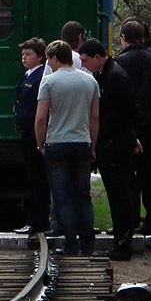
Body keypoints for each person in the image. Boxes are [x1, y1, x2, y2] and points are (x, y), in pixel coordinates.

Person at [35, 40, 100, 256]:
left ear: (54, 58)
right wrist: (92, 145)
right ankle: (88, 244)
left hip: (57, 143)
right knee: (83, 194)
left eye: (48, 59)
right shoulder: (89, 81)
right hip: (82, 142)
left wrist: (40, 143)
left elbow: (41, 118)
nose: (48, 64)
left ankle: (70, 243)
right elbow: (95, 117)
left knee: (62, 195)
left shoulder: (49, 82)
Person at [80, 38, 138, 259]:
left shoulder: (115, 77)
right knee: (116, 193)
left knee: (119, 193)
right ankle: (121, 237)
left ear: (97, 57)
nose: (83, 65)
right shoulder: (104, 76)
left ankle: (123, 243)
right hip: (111, 141)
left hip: (116, 143)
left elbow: (130, 111)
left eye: (85, 60)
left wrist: (128, 137)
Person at [114, 17, 151, 234]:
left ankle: (131, 220)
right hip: (149, 123)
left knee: (127, 174)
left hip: (127, 125)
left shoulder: (120, 62)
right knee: (149, 172)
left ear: (123, 38)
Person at [13, 37, 48, 235]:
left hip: (34, 134)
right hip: (27, 132)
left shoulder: (40, 77)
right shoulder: (29, 75)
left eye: (28, 54)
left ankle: (38, 222)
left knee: (38, 179)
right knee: (33, 178)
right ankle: (36, 220)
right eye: (23, 54)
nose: (24, 57)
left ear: (40, 57)